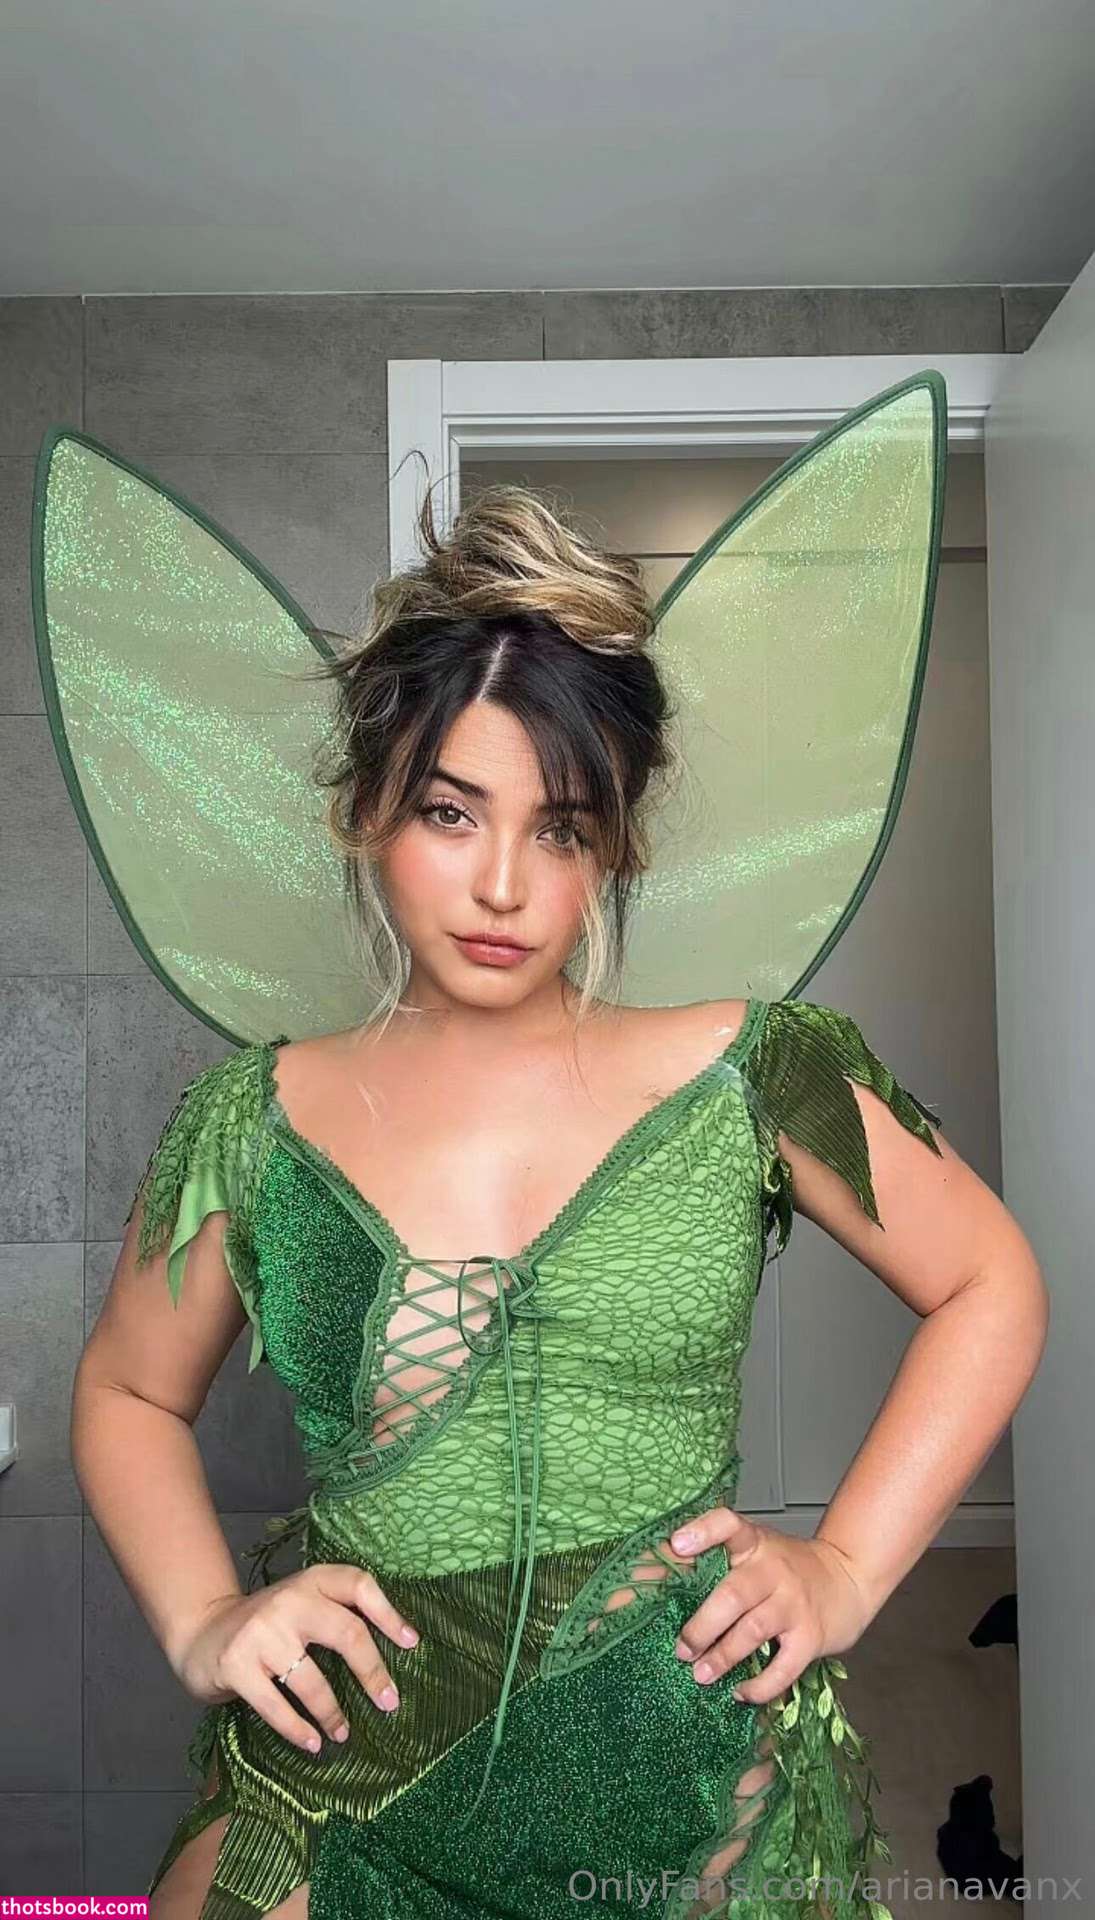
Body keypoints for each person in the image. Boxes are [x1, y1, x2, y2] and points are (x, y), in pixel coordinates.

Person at [67, 479, 1047, 1920]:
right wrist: (206, 1615)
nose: (503, 885)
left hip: (682, 1793)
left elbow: (989, 1282)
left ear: (618, 848)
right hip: (338, 1787)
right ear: (364, 812)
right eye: (450, 812)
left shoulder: (752, 1074)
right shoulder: (253, 1123)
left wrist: (843, 1566)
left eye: (564, 829)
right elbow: (126, 1390)